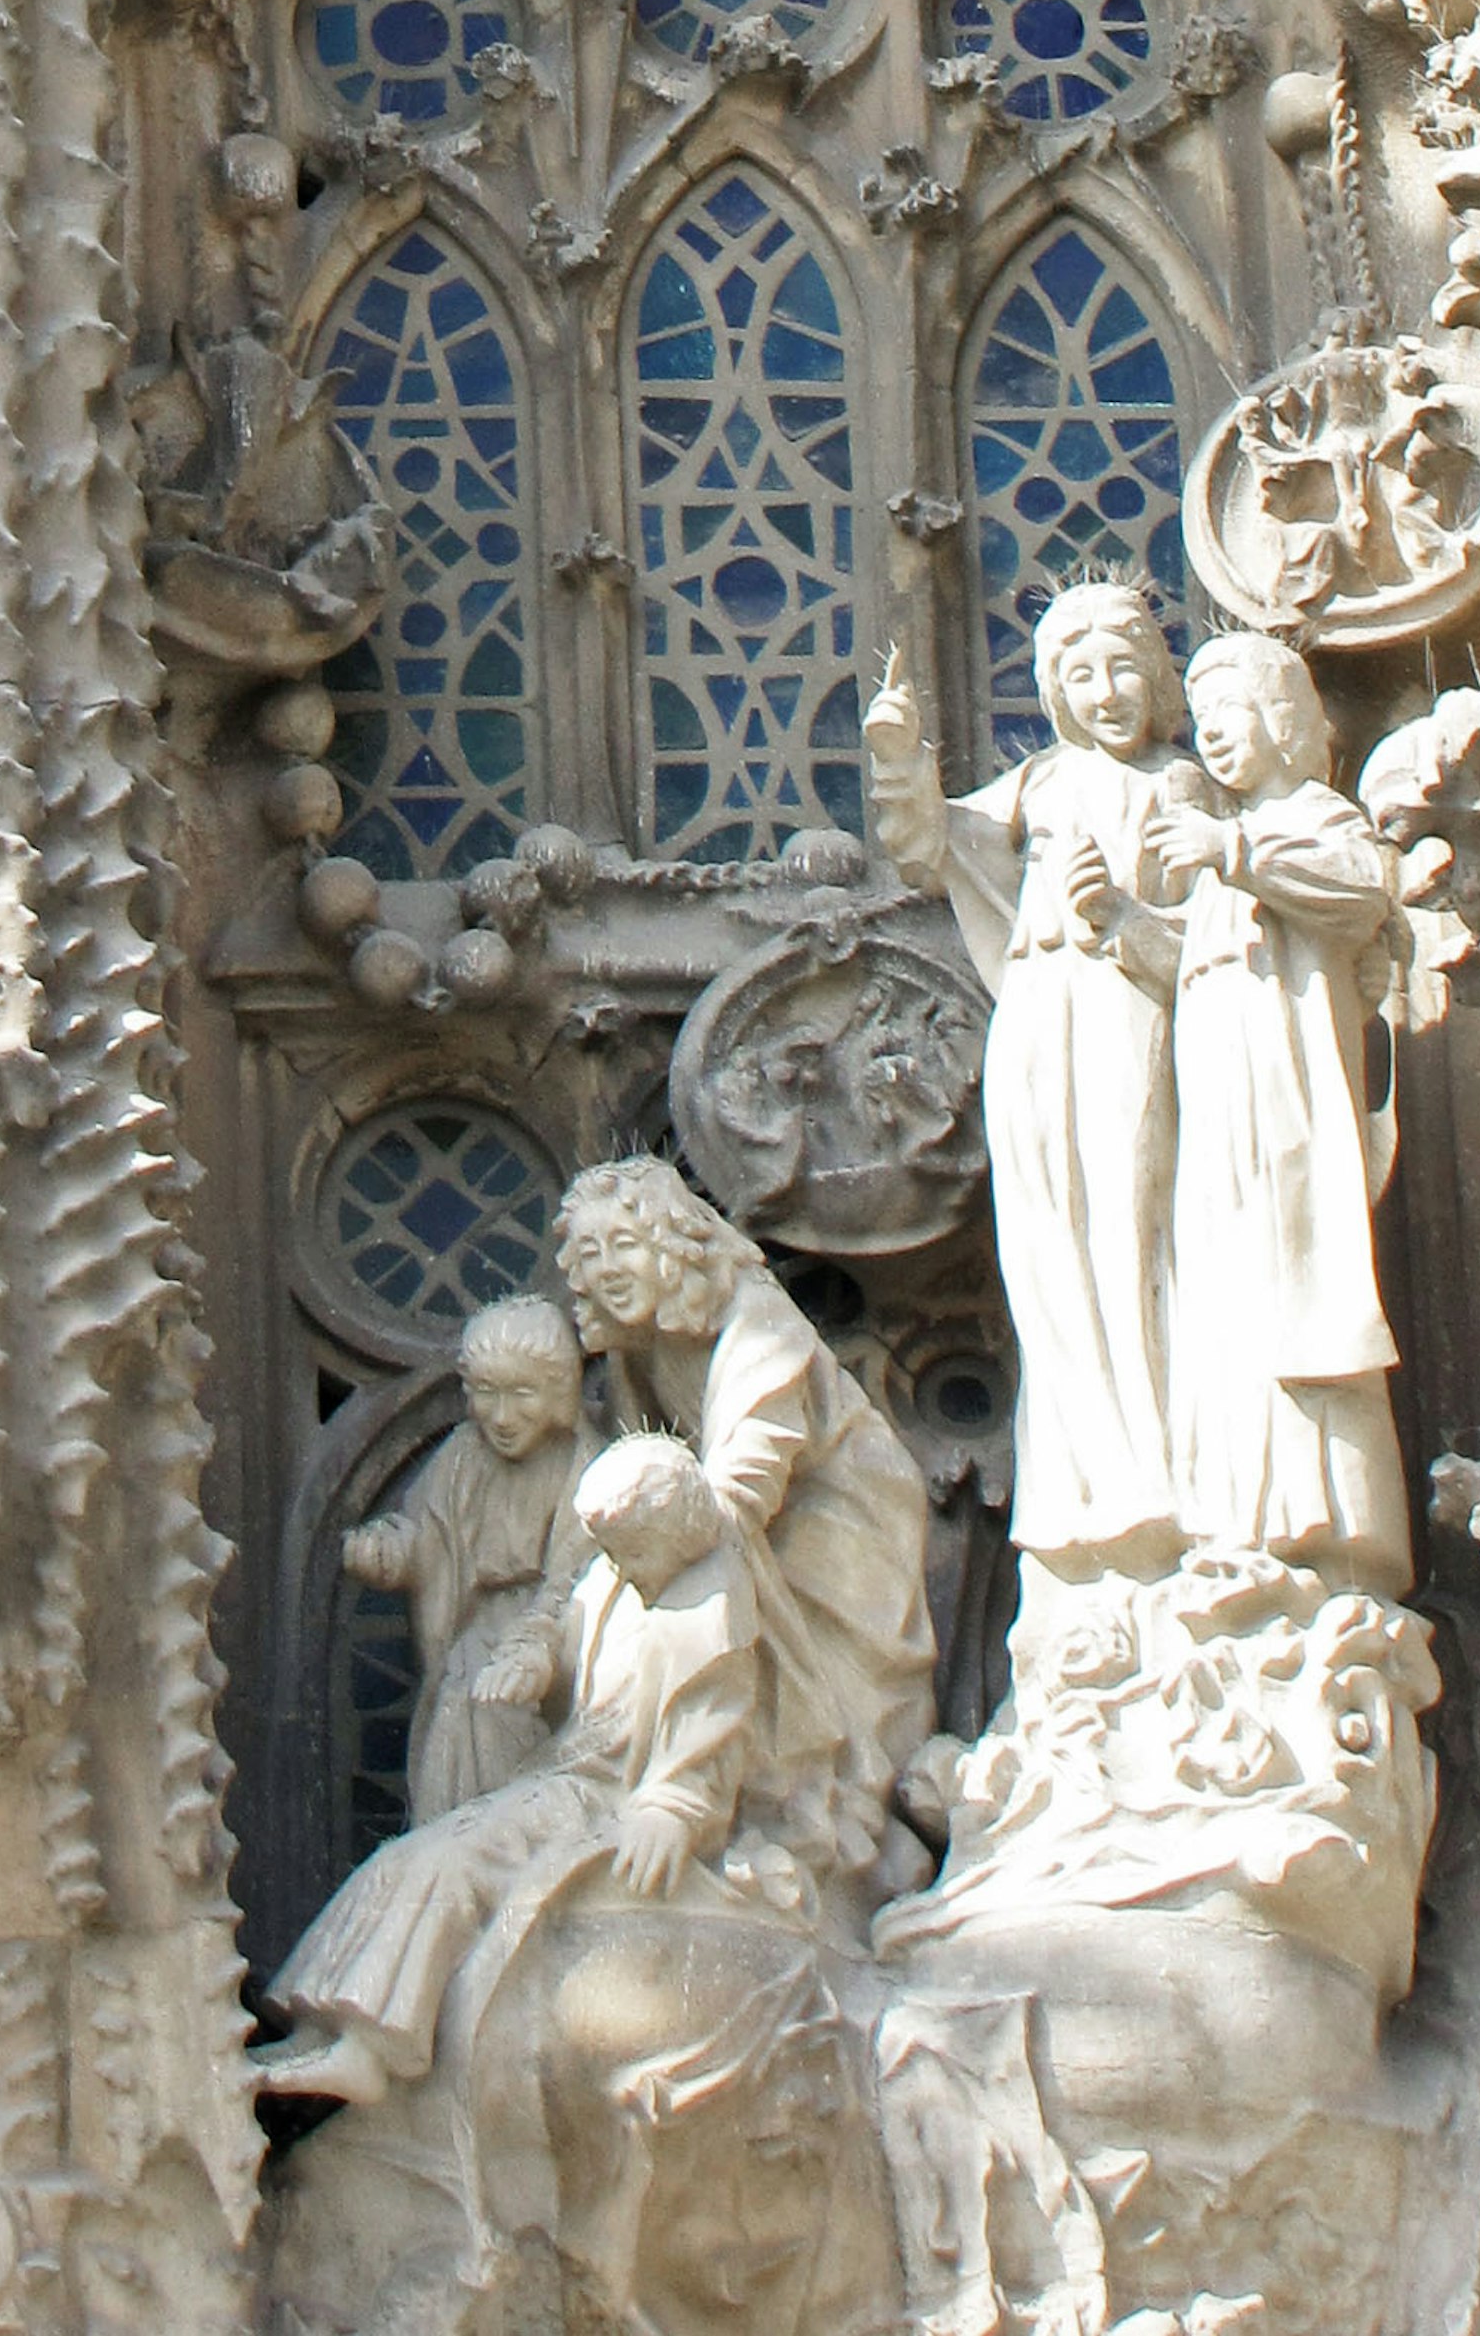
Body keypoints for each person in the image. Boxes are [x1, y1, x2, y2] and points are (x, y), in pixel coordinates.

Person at [864, 572, 1204, 1572]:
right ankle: (1084, 1473)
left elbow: (1219, 938)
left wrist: (1130, 921)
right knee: (1050, 1239)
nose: (1106, 692)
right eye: (1082, 673)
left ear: (1157, 678)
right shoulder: (1041, 786)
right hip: (1040, 1017)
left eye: (1124, 669)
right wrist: (898, 758)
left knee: (1138, 1220)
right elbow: (931, 844)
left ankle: (1162, 1461)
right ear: (1054, 690)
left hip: (1131, 1011)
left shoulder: (1178, 786)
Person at [257, 1437, 752, 2102]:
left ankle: (370, 2048)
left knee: (451, 1866)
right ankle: (328, 2031)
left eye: (630, 1552)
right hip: (561, 1779)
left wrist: (672, 1809)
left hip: (599, 1803)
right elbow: (558, 1629)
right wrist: (534, 1662)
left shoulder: (707, 1613)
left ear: (677, 1535)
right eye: (609, 1552)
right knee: (412, 1855)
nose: (617, 1568)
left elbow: (706, 1740)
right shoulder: (618, 1574)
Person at [549, 1156, 931, 1905]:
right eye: (589, 1257)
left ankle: (817, 1828)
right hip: (728, 1524)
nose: (608, 1270)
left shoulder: (755, 1317)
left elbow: (742, 1484)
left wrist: (661, 1542)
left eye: (625, 1244)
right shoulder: (638, 1342)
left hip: (838, 1522)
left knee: (827, 1705)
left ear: (672, 1242)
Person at [1147, 636, 1410, 1585]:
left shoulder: (1313, 820)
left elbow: (1357, 895)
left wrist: (1234, 848)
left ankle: (1326, 1519)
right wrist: (1117, 920)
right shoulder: (1228, 855)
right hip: (1219, 1119)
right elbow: (1182, 968)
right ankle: (1236, 1515)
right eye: (1202, 718)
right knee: (1226, 1298)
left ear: (1284, 720)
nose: (1214, 735)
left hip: (1289, 1107)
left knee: (1296, 1291)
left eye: (1232, 713)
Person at [344, 1294, 591, 1819]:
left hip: (558, 1632)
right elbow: (430, 1537)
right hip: (473, 1631)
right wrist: (390, 1553)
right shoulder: (463, 1455)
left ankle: (508, 1851)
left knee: (498, 1713)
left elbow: (583, 1568)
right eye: (485, 1393)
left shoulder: (583, 1461)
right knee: (458, 1721)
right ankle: (449, 1842)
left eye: (522, 1393)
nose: (501, 1416)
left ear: (560, 1388)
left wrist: (540, 1644)